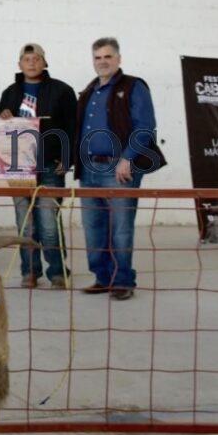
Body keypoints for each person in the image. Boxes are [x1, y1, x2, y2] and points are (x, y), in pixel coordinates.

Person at [76, 37, 163, 301]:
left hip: (119, 169)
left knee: (121, 228)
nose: (102, 62)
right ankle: (102, 278)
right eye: (97, 58)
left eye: (107, 57)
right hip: (89, 169)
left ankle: (123, 280)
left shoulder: (134, 86)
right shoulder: (89, 91)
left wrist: (127, 158)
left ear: (118, 59)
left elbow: (145, 127)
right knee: (93, 228)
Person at [0, 43, 77, 288]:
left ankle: (58, 271)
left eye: (37, 58)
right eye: (26, 59)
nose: (31, 63)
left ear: (45, 63)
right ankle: (29, 271)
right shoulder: (10, 92)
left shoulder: (62, 91)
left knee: (49, 221)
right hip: (18, 167)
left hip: (50, 164)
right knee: (25, 221)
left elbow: (73, 127)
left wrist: (67, 157)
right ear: (19, 64)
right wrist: (3, 115)